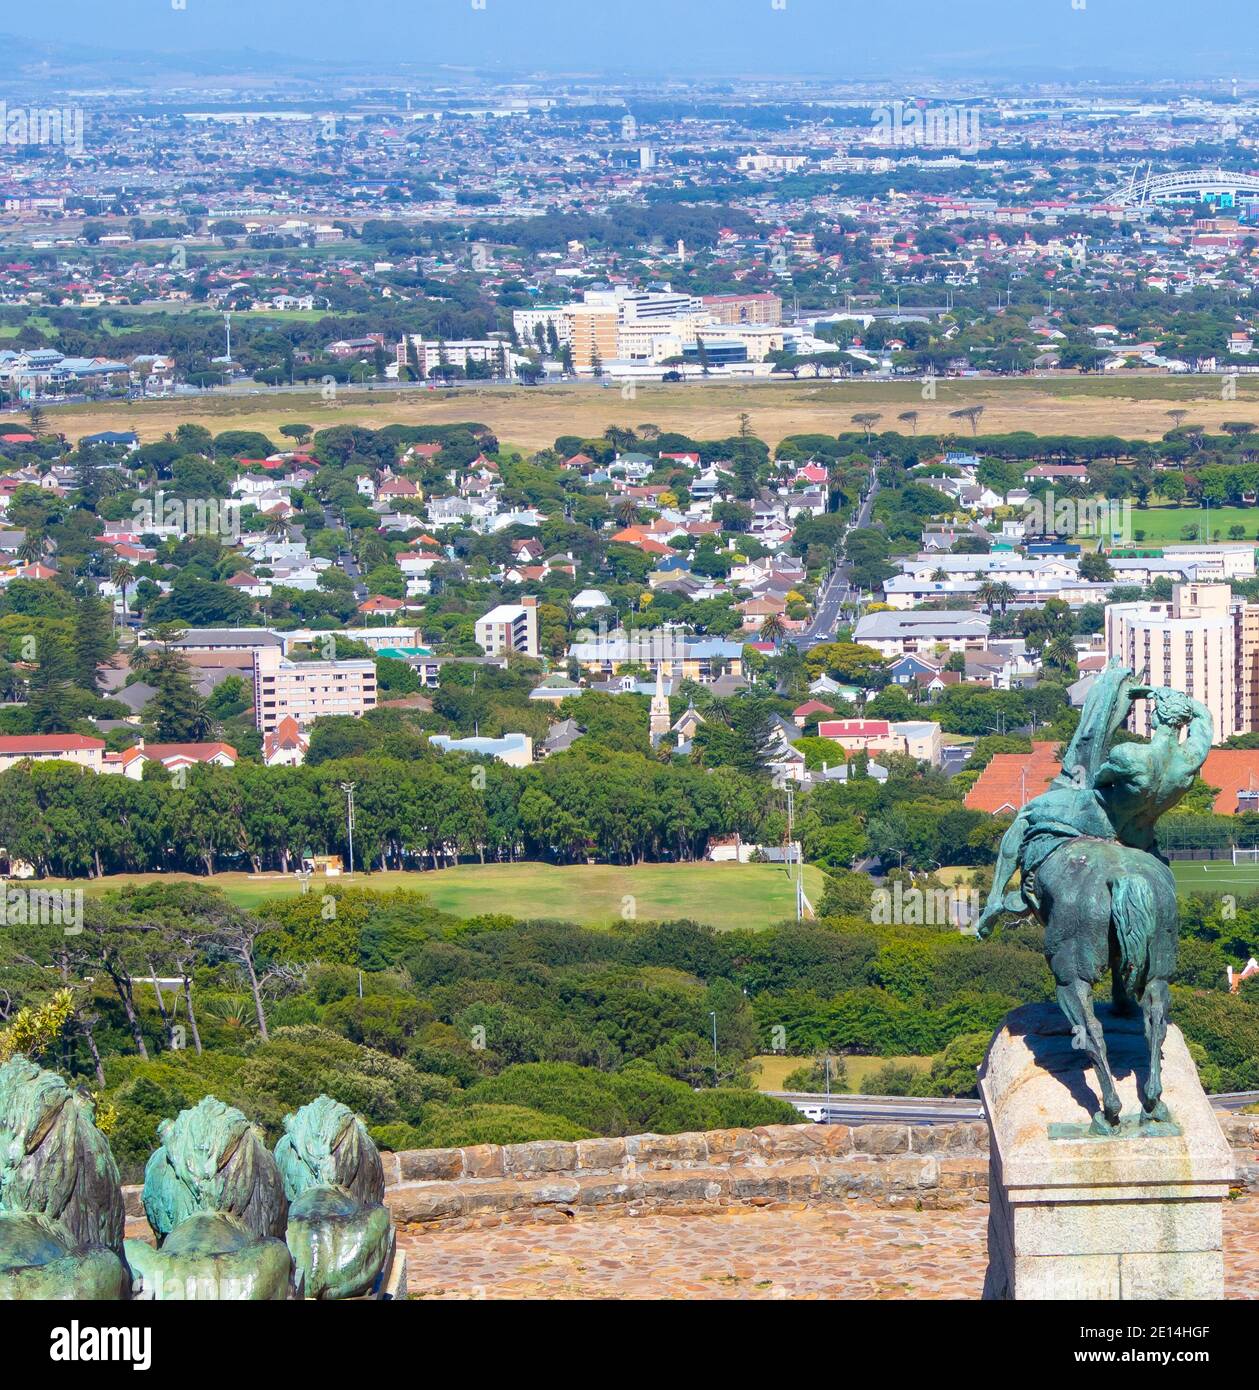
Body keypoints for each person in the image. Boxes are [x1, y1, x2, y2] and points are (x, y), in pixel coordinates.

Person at [974, 666, 1211, 939]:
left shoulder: (1131, 755)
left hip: (1100, 817)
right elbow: (1205, 716)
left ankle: (994, 900)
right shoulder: (1191, 759)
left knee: (1026, 815)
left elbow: (1098, 779)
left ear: (1156, 717)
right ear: (1181, 721)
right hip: (1139, 833)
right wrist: (1172, 698)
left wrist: (1155, 694)